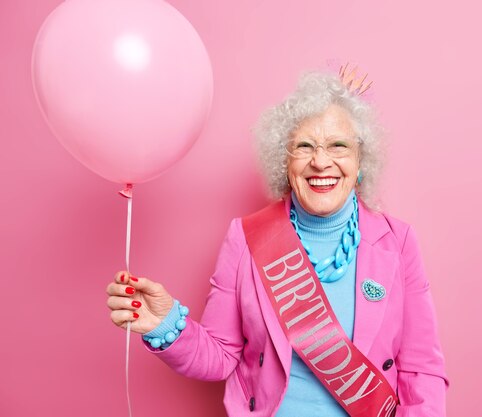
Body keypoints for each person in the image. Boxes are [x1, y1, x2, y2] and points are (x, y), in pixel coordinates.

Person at [106, 66, 450, 417]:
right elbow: (220, 357)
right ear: (285, 163)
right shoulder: (245, 237)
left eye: (338, 145)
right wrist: (164, 325)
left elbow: (422, 370)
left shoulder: (398, 242)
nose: (320, 161)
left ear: (361, 161)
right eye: (304, 146)